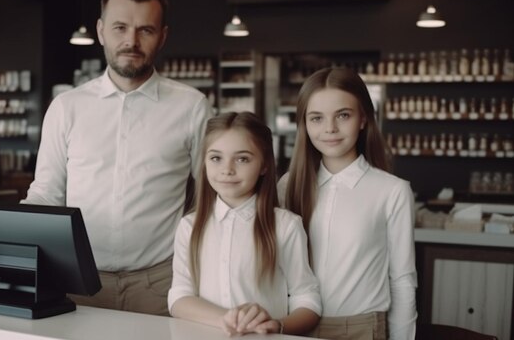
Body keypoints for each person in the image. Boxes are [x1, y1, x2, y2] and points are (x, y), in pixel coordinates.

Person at [21, 0, 212, 316]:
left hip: (161, 284)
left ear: (162, 36)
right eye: (120, 27)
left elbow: (207, 194)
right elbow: (47, 193)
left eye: (146, 30)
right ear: (100, 30)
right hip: (76, 281)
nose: (131, 41)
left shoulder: (191, 106)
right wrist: (13, 233)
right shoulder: (67, 107)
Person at [277, 67, 417, 340]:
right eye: (316, 118)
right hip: (293, 326)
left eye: (343, 115)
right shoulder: (287, 185)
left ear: (363, 118)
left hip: (361, 328)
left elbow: (402, 281)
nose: (330, 128)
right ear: (304, 124)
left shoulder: (393, 191)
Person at [168, 112, 321, 336]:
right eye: (216, 158)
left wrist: (277, 325)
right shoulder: (189, 227)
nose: (227, 169)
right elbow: (179, 296)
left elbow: (307, 297)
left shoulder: (286, 226)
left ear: (264, 166)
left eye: (242, 159)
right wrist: (228, 318)